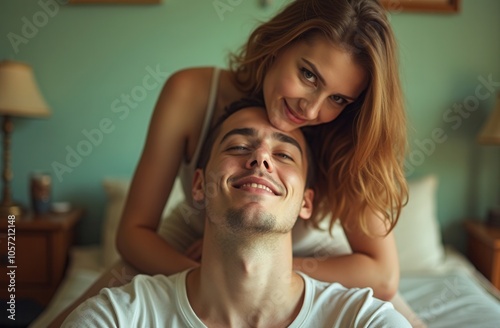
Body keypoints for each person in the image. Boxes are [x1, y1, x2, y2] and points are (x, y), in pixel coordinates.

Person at [49, 0, 423, 326]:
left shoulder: (347, 137)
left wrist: (267, 277)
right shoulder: (191, 93)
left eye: (338, 98)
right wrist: (214, 275)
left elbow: (382, 273)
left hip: (303, 255)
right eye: (308, 75)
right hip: (195, 239)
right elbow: (133, 233)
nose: (311, 108)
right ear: (278, 44)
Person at [62, 104, 411, 327]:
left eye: (285, 155)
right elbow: (132, 236)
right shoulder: (118, 316)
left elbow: (383, 276)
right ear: (198, 185)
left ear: (307, 202)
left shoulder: (362, 319)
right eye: (238, 147)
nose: (261, 158)